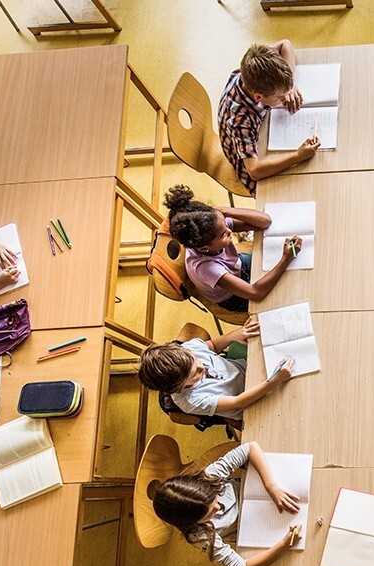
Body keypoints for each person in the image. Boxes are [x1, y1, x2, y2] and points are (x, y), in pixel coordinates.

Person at [149, 441, 301, 566]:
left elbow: (250, 448)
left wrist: (271, 487)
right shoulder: (199, 535)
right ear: (192, 522)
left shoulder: (209, 477)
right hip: (257, 530)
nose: (218, 507)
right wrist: (284, 544)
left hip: (260, 492)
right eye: (210, 513)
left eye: (214, 498)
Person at [162, 185, 295, 313]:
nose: (230, 231)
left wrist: (225, 211)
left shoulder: (215, 227)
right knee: (285, 294)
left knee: (289, 274)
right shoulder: (208, 268)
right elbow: (255, 293)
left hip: (236, 266)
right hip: (232, 297)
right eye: (223, 234)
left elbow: (265, 221)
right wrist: (285, 259)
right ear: (204, 248)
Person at [137, 320, 293, 424]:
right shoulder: (190, 401)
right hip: (252, 403)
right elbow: (239, 402)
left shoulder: (189, 349)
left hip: (249, 371)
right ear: (178, 388)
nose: (202, 367)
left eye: (196, 361)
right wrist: (275, 381)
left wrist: (233, 335)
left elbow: (212, 345)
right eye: (195, 375)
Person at [218, 40, 320, 196]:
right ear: (259, 96)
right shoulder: (241, 121)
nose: (285, 98)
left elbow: (285, 44)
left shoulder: (250, 69)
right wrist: (298, 156)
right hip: (251, 166)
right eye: (279, 97)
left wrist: (289, 86)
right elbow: (254, 171)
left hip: (255, 137)